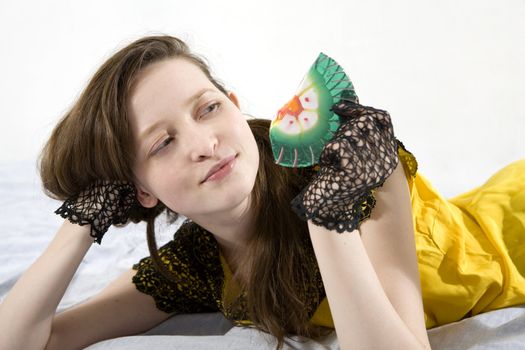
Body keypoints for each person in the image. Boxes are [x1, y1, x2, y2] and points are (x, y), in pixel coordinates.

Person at [0, 35, 523, 350]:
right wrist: (80, 225)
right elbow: (30, 340)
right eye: (163, 143)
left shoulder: (351, 163)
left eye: (208, 108)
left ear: (233, 103)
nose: (205, 143)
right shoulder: (200, 265)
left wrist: (326, 217)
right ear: (138, 189)